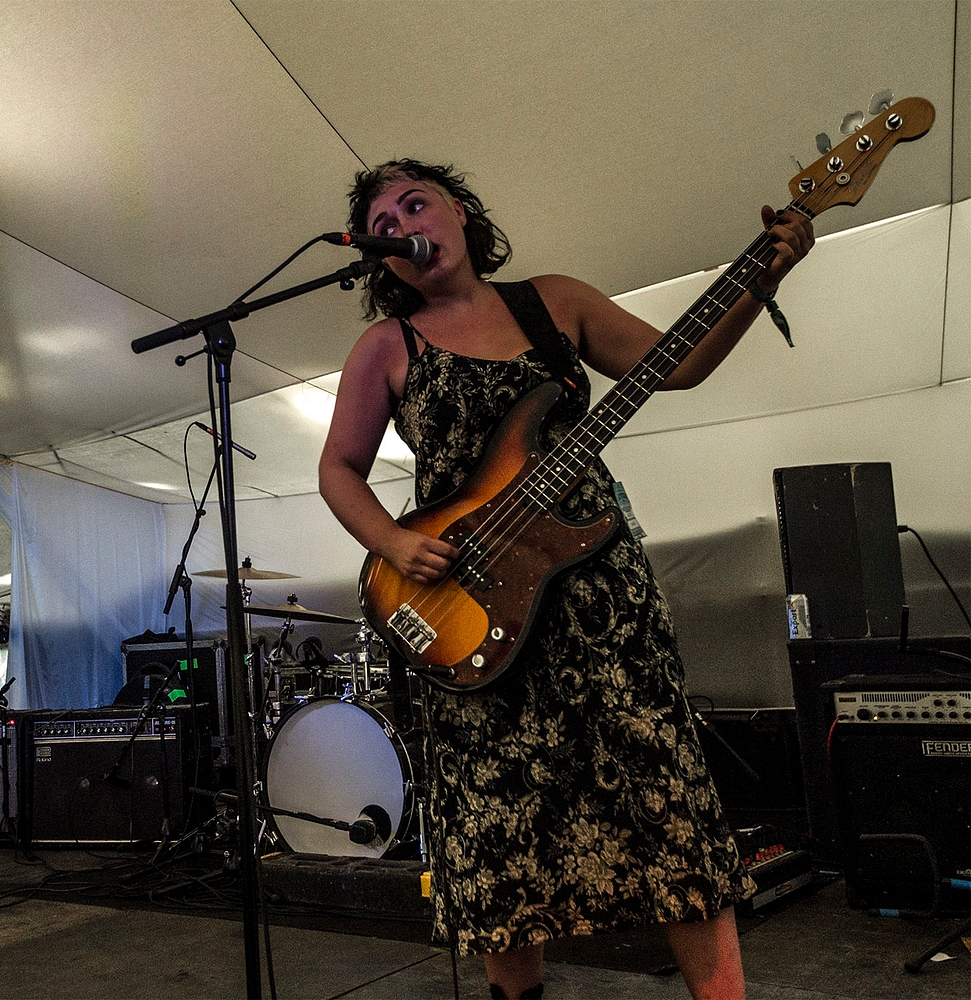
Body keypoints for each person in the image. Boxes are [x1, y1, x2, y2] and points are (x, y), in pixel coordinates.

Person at [318, 161, 813, 1000]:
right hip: (465, 606)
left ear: (462, 216)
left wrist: (765, 272)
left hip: (599, 606)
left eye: (415, 201)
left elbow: (677, 364)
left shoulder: (553, 301)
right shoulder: (385, 348)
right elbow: (339, 467)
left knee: (668, 806)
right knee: (501, 827)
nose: (400, 220)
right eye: (381, 217)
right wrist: (393, 546)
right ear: (379, 257)